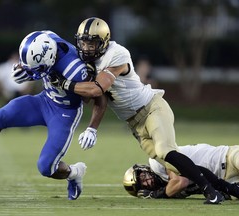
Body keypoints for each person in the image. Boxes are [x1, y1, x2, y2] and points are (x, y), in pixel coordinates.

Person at [49, 17, 224, 204]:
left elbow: (97, 88)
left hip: (151, 109)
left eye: (92, 43)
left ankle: (211, 192)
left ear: (104, 41)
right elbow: (94, 99)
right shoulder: (88, 62)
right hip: (135, 124)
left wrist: (65, 83)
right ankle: (227, 189)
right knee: (175, 165)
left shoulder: (117, 54)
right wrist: (92, 127)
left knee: (166, 151)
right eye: (83, 42)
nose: (87, 47)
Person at [0, 30, 107, 200]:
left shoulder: (75, 68)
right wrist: (23, 68)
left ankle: (75, 172)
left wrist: (92, 127)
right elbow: (33, 63)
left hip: (65, 112)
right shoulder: (45, 38)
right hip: (43, 100)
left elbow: (92, 97)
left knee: (46, 166)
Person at [123, 143, 239, 199]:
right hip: (227, 180)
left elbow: (180, 181)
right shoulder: (171, 189)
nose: (147, 182)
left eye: (143, 177)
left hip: (228, 156)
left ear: (143, 169)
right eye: (143, 185)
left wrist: (157, 195)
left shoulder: (156, 162)